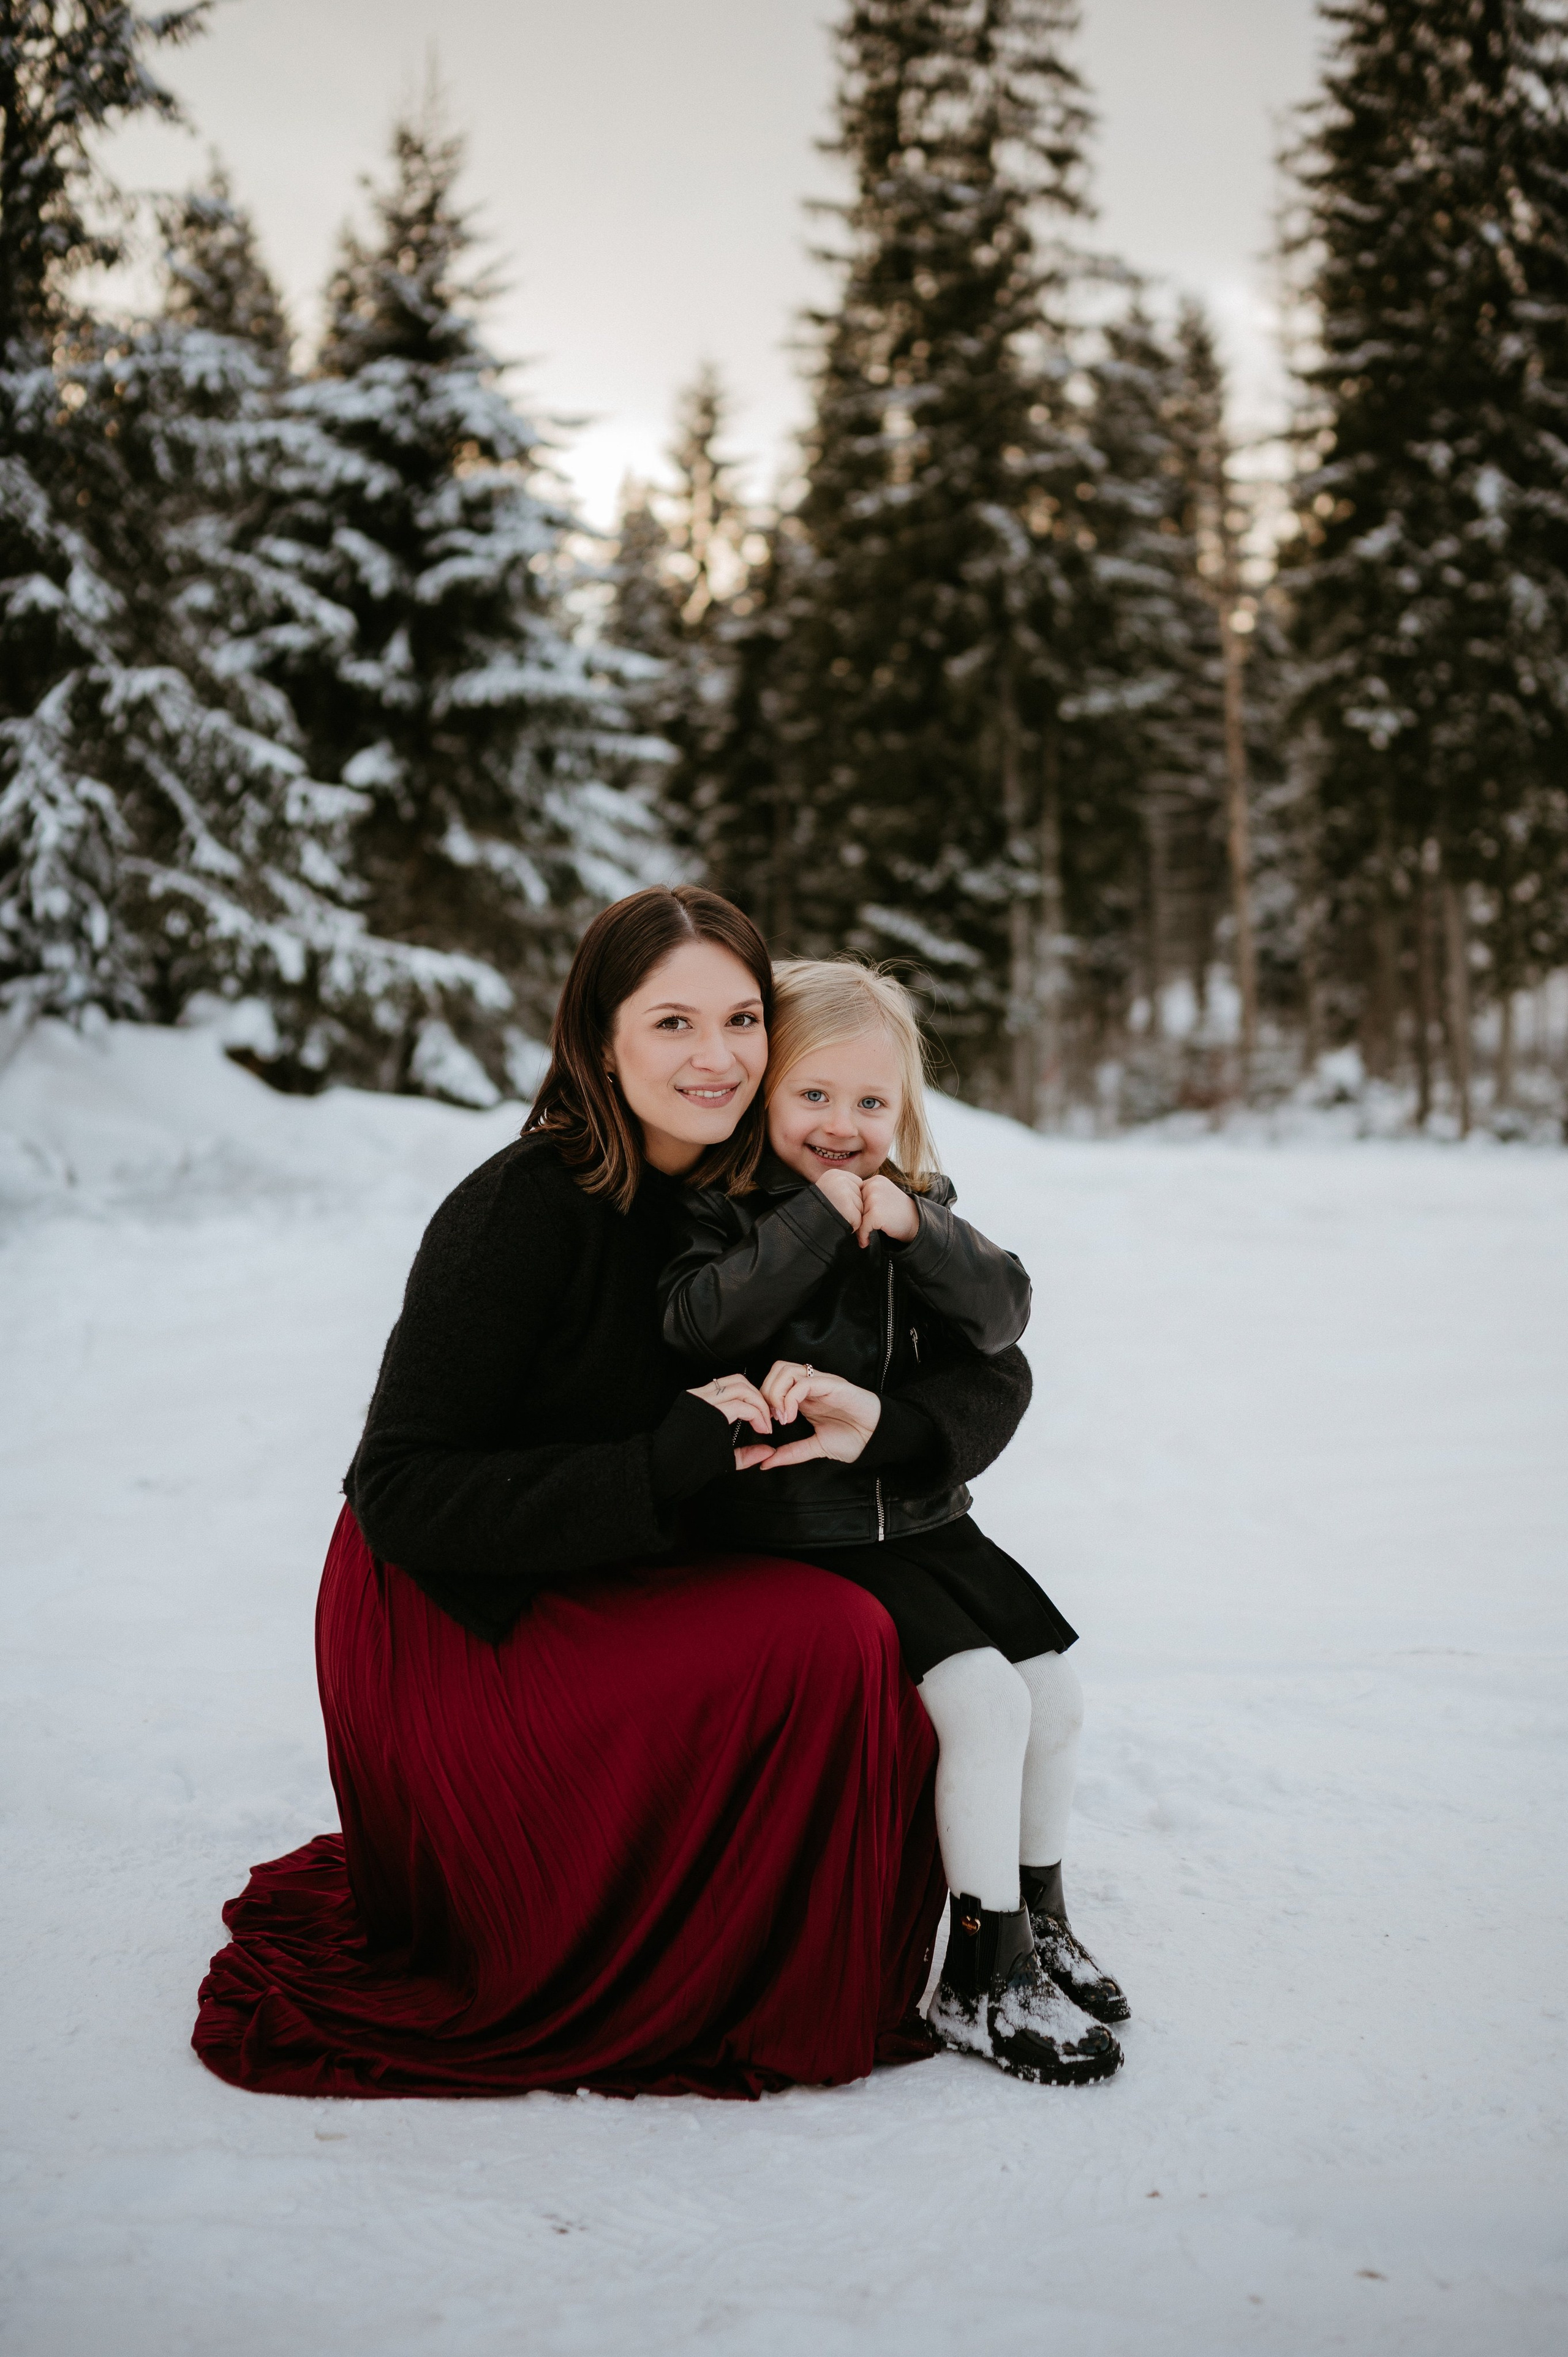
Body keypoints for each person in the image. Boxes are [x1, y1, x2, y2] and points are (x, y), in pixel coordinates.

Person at [192, 887, 1033, 2099]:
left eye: (741, 1020)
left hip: (628, 1553)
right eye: (671, 1023)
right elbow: (402, 1490)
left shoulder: (770, 1188)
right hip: (461, 1610)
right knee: (836, 1638)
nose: (716, 1057)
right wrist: (662, 1461)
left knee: (914, 1649)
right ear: (599, 1037)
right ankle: (740, 1964)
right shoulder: (522, 1209)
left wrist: (893, 1431)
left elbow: (988, 1359)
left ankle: (964, 1935)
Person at [658, 959, 1128, 2087]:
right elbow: (698, 1320)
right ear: (765, 1096)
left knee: (1054, 1693)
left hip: (920, 1515)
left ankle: (1039, 1909)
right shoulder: (728, 1215)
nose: (843, 1127)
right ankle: (979, 1966)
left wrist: (919, 1229)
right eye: (815, 1097)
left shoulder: (920, 1210)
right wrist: (819, 1223)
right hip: (808, 1530)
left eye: (872, 1103)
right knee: (980, 1701)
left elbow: (1005, 1313)